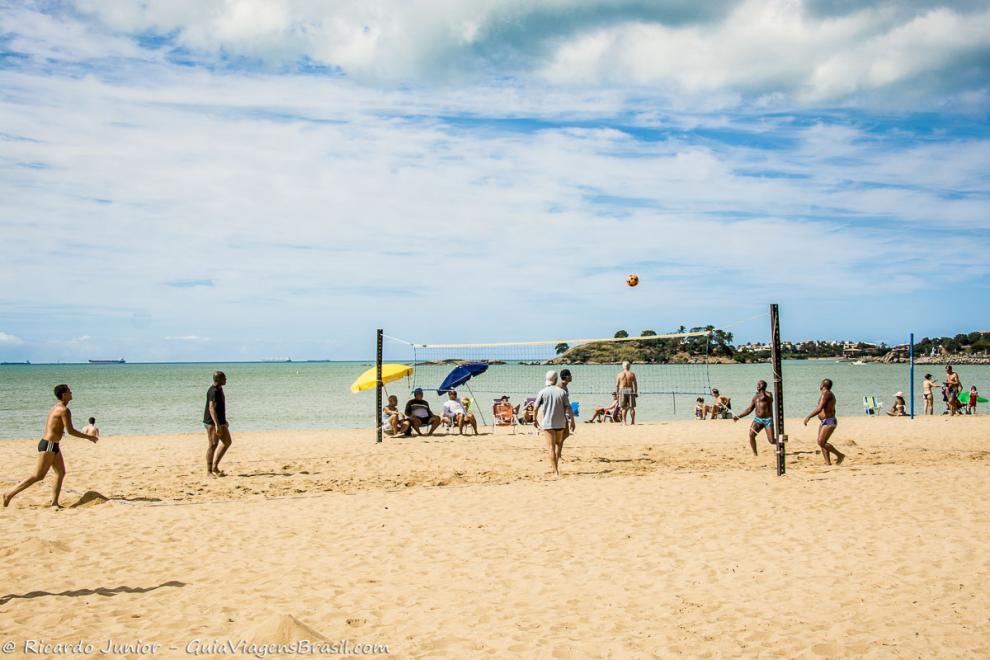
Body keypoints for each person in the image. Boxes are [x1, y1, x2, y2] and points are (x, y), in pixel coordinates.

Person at [4, 384, 99, 508]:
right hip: (48, 445)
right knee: (38, 475)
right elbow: (70, 431)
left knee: (60, 472)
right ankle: (9, 494)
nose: (71, 393)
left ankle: (54, 503)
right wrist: (89, 437)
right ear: (64, 394)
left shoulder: (56, 407)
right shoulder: (64, 410)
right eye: (69, 391)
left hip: (53, 445)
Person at [533, 370, 574, 477]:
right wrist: (572, 421)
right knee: (558, 444)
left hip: (547, 423)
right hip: (560, 423)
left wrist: (534, 419)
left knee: (551, 448)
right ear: (556, 379)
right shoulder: (562, 392)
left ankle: (555, 471)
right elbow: (568, 407)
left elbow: (536, 407)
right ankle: (556, 466)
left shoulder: (542, 392)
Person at [803, 378, 845, 466]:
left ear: (823, 385)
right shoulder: (828, 394)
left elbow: (819, 408)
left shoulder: (826, 394)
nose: (820, 385)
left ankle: (840, 455)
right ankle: (827, 462)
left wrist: (809, 417)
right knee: (822, 442)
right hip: (825, 421)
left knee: (821, 441)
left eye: (821, 383)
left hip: (829, 421)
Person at [733, 380, 776, 456]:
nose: (758, 385)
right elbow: (749, 409)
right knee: (751, 435)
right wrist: (739, 416)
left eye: (760, 384)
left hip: (767, 420)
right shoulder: (755, 397)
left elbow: (769, 399)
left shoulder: (769, 394)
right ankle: (755, 453)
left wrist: (762, 391)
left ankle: (781, 443)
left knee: (772, 441)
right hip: (758, 419)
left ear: (764, 385)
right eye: (757, 384)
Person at [204, 371, 233, 477]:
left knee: (227, 442)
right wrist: (216, 424)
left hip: (220, 422)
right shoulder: (213, 391)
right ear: (218, 379)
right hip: (212, 423)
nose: (226, 379)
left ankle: (215, 467)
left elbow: (219, 407)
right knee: (213, 445)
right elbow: (211, 408)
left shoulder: (220, 389)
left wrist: (224, 421)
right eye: (224, 378)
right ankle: (209, 471)